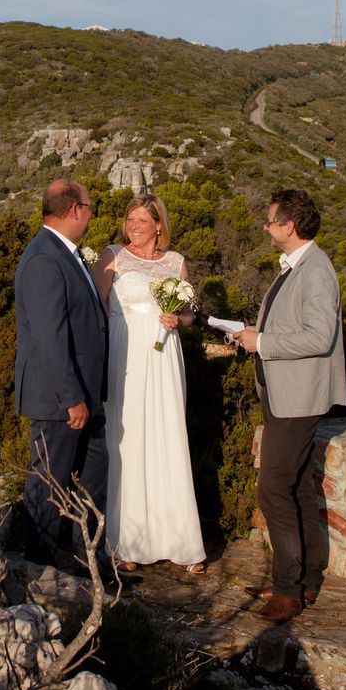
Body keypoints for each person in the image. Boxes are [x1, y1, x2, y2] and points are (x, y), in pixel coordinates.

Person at [231, 188, 345, 622]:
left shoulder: (315, 270)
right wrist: (250, 333)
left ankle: (287, 591)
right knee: (295, 487)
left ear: (289, 227)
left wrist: (262, 342)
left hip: (298, 398)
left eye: (270, 220)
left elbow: (319, 336)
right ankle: (307, 580)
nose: (265, 226)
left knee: (273, 488)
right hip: (284, 394)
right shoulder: (298, 266)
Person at [95, 192, 207, 574]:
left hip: (164, 356)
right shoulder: (112, 256)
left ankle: (180, 541)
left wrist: (180, 320)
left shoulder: (175, 263)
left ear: (159, 225)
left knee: (167, 436)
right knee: (127, 440)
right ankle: (126, 542)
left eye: (142, 221)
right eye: (130, 220)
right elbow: (96, 307)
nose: (134, 227)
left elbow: (190, 314)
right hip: (125, 354)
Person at [12, 178, 111, 573]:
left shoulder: (65, 254)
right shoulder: (44, 259)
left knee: (90, 480)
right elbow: (49, 336)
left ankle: (86, 562)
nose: (90, 213)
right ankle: (37, 569)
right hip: (62, 400)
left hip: (87, 394)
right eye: (89, 207)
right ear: (74, 211)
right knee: (49, 484)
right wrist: (70, 397)